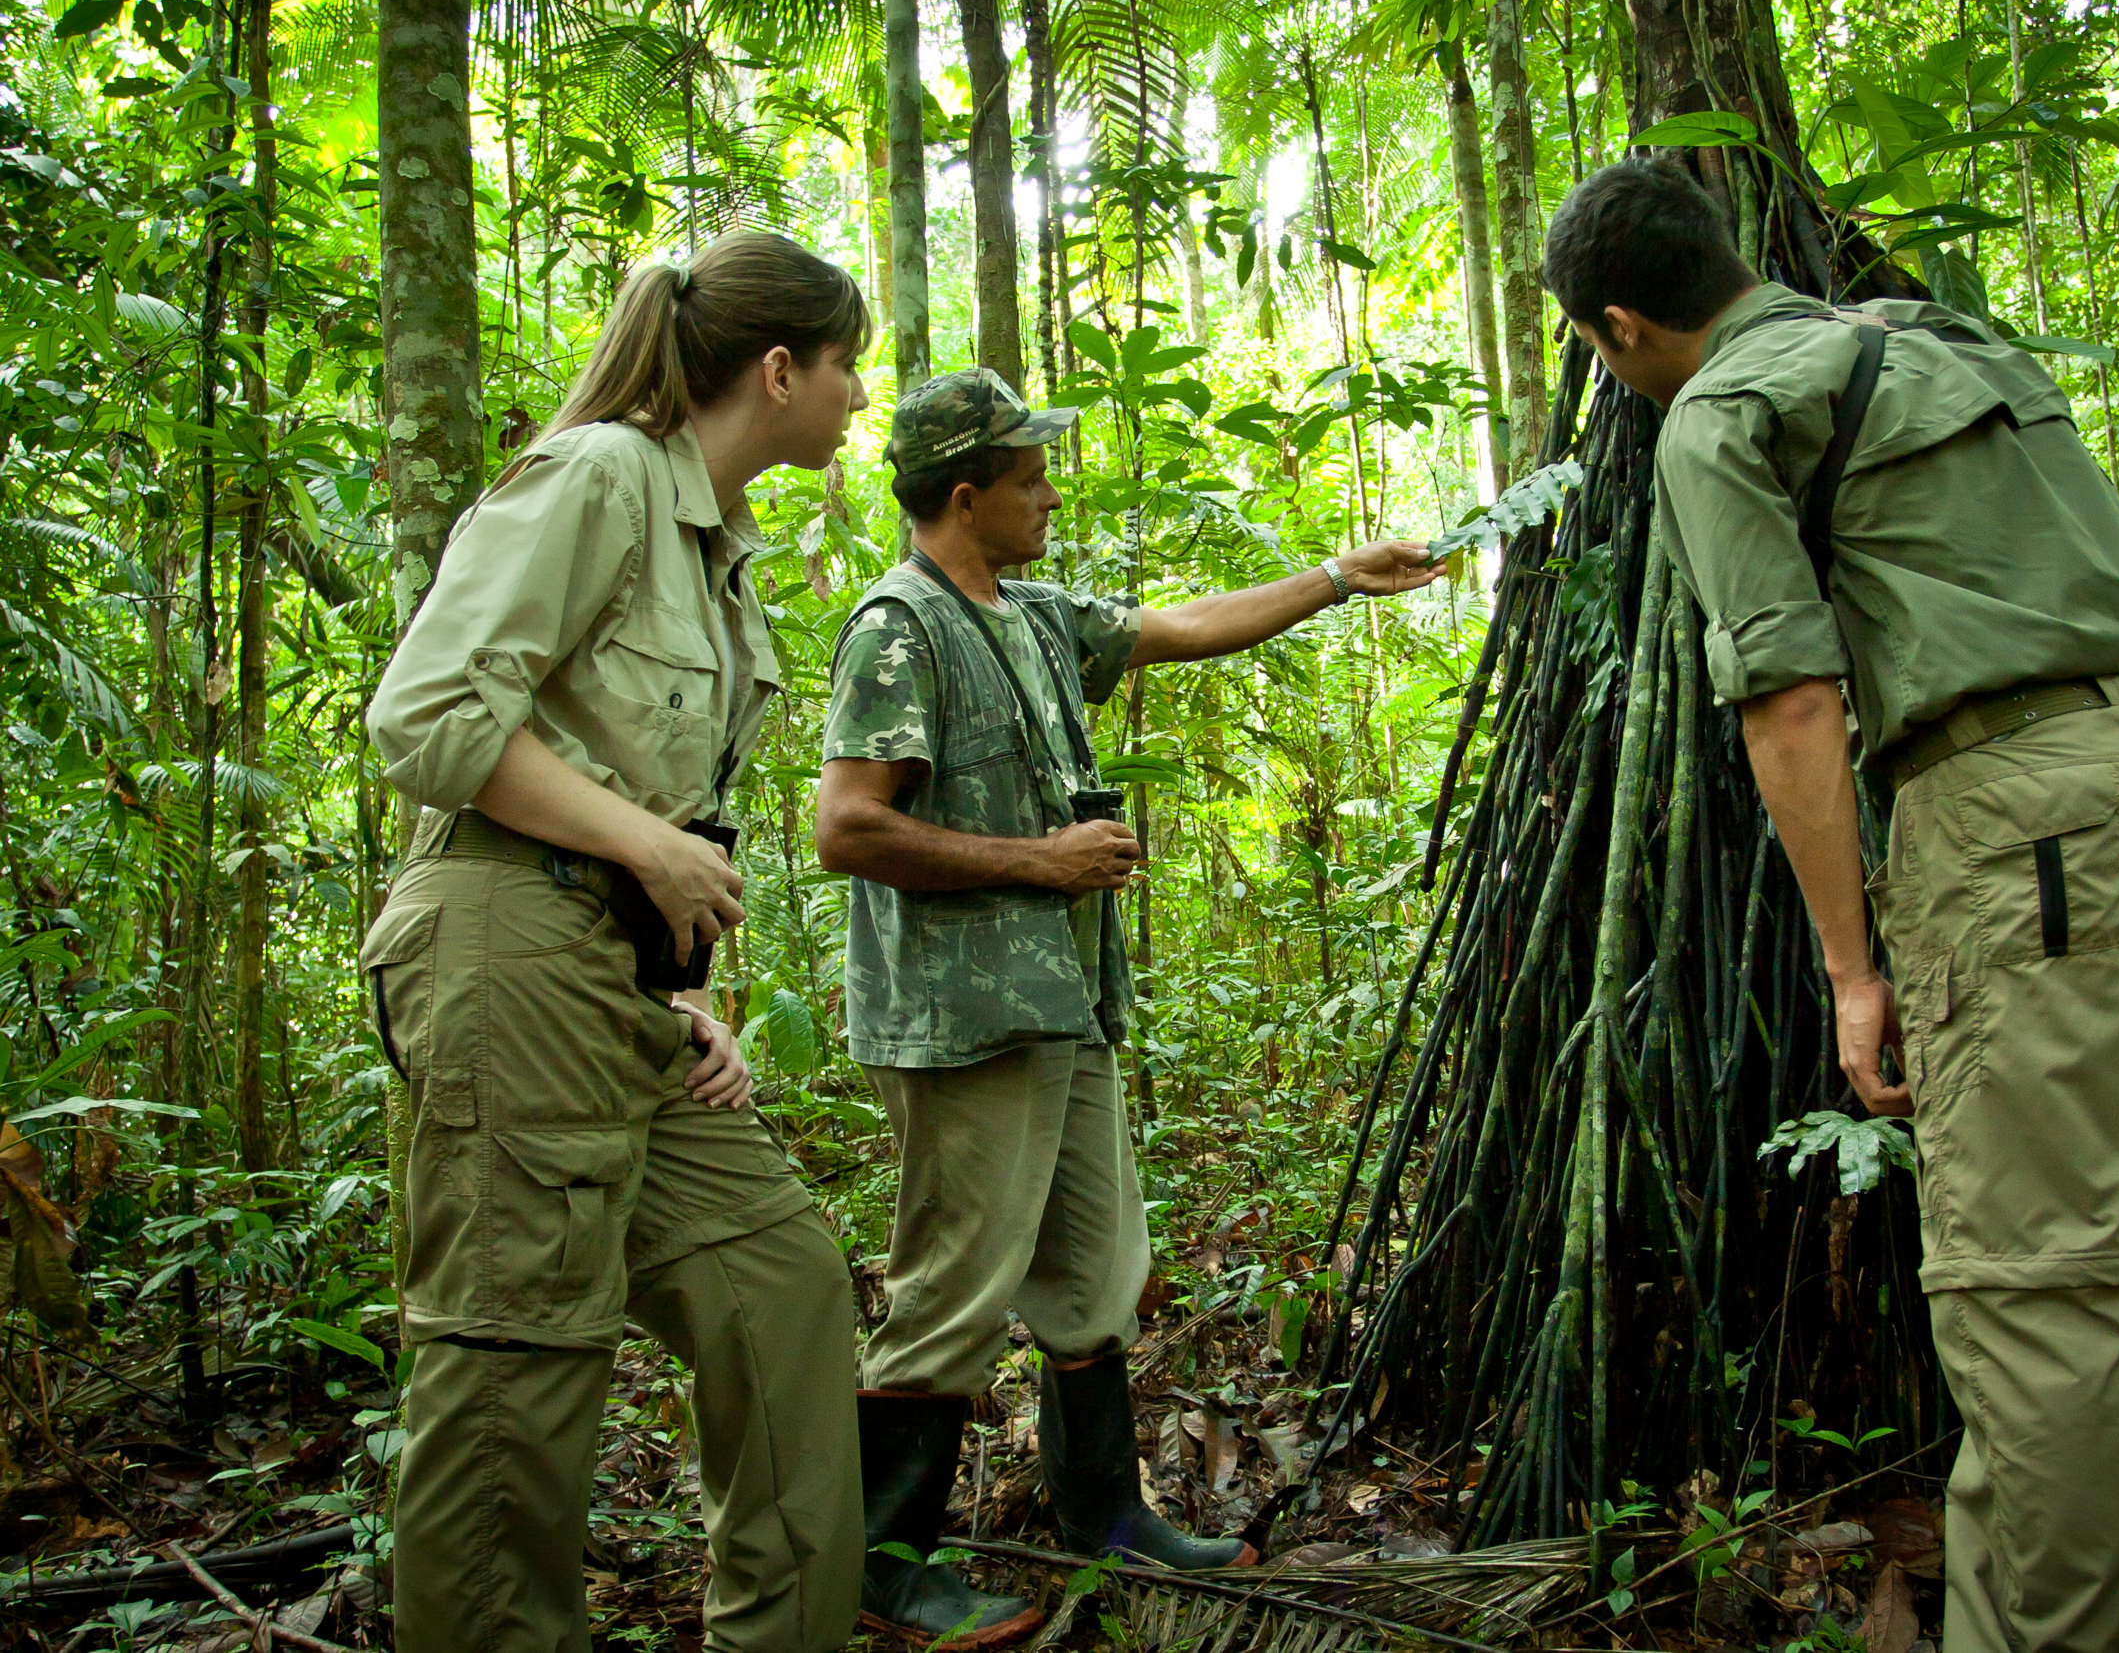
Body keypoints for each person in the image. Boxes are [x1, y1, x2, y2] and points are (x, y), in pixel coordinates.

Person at [1540, 160, 2119, 1653]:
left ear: (1620, 327)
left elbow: (1793, 702)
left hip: (2018, 821)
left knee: (2042, 1287)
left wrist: (1850, 964)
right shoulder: (1942, 338)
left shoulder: (1718, 414)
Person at [812, 368, 1446, 1645]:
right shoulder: (899, 626)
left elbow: (1180, 626)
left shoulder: (1036, 616)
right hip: (963, 1020)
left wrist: (1336, 576)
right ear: (964, 492)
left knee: (1095, 1273)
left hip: (1066, 1005)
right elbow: (847, 826)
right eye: (1031, 474)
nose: (1052, 491)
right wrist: (1041, 861)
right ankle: (883, 1564)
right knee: (954, 1287)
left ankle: (1105, 1508)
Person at [363, 231, 874, 1653]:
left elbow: (636, 786)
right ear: (779, 370)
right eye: (847, 368)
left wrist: (677, 989)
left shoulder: (717, 555)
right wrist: (644, 845)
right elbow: (428, 717)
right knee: (518, 1358)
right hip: (504, 947)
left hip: (610, 983)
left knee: (778, 1282)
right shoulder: (598, 475)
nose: (854, 399)